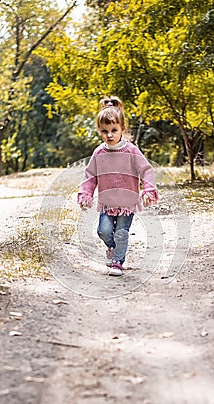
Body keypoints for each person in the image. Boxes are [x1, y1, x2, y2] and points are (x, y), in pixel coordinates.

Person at [77, 95, 158, 276]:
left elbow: (146, 169)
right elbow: (90, 175)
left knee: (121, 233)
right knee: (103, 231)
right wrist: (86, 194)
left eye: (114, 130)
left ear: (122, 128)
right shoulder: (99, 153)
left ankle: (117, 262)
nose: (110, 135)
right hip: (107, 202)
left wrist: (148, 190)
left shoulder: (131, 151)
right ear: (100, 131)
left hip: (127, 203)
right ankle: (112, 248)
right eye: (105, 131)